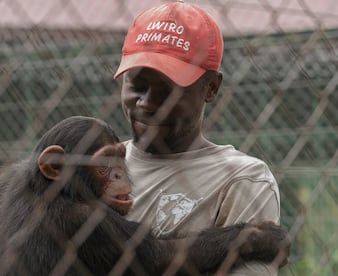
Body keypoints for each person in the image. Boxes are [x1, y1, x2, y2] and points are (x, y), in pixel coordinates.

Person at [113, 0, 287, 275]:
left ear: (211, 88)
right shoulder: (97, 167)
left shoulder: (241, 179)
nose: (146, 103)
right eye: (137, 84)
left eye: (167, 90)